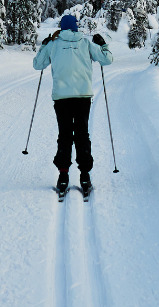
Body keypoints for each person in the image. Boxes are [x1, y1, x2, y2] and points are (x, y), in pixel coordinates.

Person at [32, 14, 113, 196]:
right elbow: (107, 60)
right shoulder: (85, 43)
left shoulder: (53, 44)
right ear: (76, 27)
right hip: (82, 97)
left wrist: (44, 45)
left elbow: (38, 65)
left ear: (61, 27)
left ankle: (63, 175)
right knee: (82, 133)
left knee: (65, 134)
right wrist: (103, 45)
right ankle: (85, 176)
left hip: (62, 98)